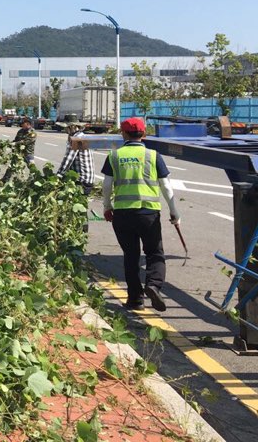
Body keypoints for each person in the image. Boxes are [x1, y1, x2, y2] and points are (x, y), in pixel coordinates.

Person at [101, 117, 181, 312]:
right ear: (144, 134)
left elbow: (107, 185)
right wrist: (174, 212)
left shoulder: (114, 156)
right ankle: (153, 285)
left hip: (122, 214)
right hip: (148, 214)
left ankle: (135, 300)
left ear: (123, 133)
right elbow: (166, 187)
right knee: (154, 253)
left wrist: (107, 206)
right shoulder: (153, 156)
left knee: (131, 255)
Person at [56, 123, 94, 195]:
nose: (65, 130)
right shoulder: (83, 136)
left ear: (72, 127)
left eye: (66, 128)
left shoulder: (77, 139)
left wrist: (58, 176)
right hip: (87, 179)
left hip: (82, 181)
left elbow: (68, 160)